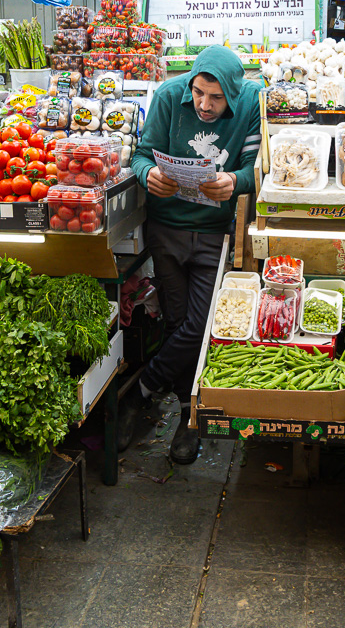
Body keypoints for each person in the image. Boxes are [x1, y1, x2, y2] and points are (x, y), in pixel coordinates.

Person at [123, 45, 262, 464]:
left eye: (216, 98)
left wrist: (234, 181)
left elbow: (255, 167)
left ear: (232, 94)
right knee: (177, 322)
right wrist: (148, 174)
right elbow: (141, 155)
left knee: (200, 326)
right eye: (199, 93)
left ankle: (141, 390)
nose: (204, 104)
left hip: (214, 233)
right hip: (166, 229)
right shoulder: (169, 96)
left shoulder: (252, 101)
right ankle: (188, 418)